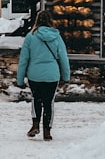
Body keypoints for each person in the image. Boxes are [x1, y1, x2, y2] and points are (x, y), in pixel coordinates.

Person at [16, 10, 71, 141]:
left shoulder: (31, 36)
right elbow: (63, 58)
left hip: (34, 75)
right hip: (52, 75)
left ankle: (35, 125)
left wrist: (20, 78)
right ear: (50, 21)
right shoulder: (56, 37)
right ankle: (47, 131)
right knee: (49, 102)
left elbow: (24, 59)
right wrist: (66, 76)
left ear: (37, 21)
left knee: (36, 99)